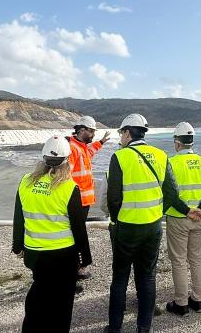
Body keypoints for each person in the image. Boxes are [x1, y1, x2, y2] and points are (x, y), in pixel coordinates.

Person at [104, 113, 193, 333]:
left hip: (125, 227)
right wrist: (156, 213)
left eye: (121, 134)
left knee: (120, 278)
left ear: (127, 133)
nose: (120, 138)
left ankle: (115, 328)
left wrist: (116, 219)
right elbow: (172, 193)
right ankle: (144, 328)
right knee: (146, 277)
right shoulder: (161, 155)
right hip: (152, 227)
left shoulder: (120, 157)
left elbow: (113, 198)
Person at [12, 135, 92, 332]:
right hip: (63, 256)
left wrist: (17, 246)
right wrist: (85, 257)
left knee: (39, 290)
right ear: (67, 161)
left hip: (34, 253)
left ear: (43, 158)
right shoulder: (69, 187)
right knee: (62, 302)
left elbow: (19, 217)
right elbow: (78, 228)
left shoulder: (25, 182)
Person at [164, 122, 201, 316]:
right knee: (196, 258)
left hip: (179, 218)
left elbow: (169, 194)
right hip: (199, 218)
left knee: (178, 260)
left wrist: (186, 210)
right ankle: (198, 300)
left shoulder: (170, 163)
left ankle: (181, 304)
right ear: (191, 142)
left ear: (177, 143)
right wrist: (200, 209)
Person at [67, 115, 110, 282]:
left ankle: (79, 266)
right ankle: (79, 268)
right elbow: (66, 175)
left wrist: (102, 142)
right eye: (91, 131)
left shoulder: (82, 146)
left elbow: (90, 152)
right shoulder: (72, 147)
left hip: (83, 200)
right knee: (78, 234)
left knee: (78, 232)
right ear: (82, 130)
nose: (93, 134)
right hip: (75, 200)